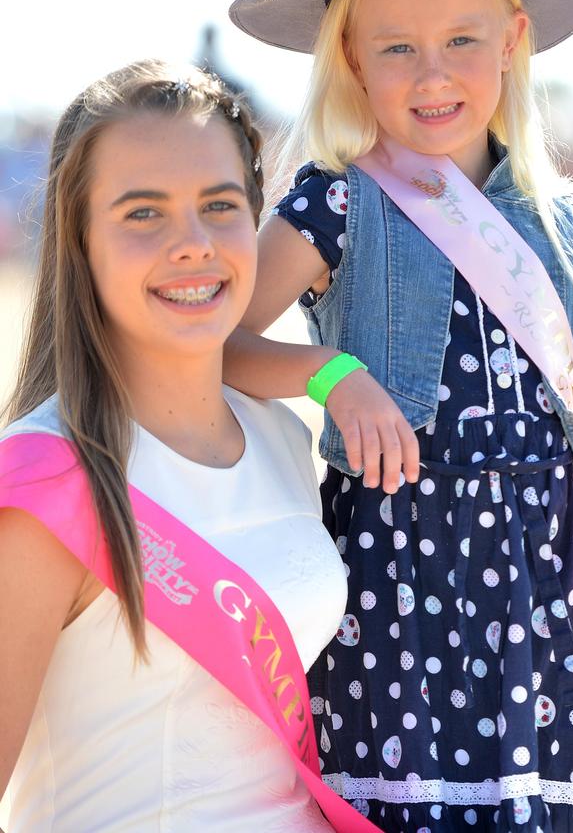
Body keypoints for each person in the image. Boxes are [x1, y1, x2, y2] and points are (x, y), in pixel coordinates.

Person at [224, 0, 573, 832]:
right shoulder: (333, 205)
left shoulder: (567, 217)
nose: (431, 74)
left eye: (460, 39)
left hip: (548, 600)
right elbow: (213, 348)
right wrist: (326, 373)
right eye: (396, 49)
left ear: (511, 42)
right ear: (349, 62)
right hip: (400, 603)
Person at [0, 61, 356, 832]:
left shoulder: (286, 441)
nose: (193, 244)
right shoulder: (44, 482)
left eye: (220, 206)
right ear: (79, 241)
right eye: (142, 214)